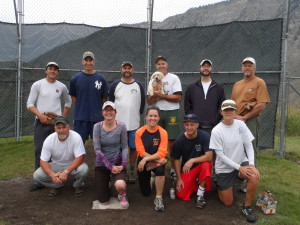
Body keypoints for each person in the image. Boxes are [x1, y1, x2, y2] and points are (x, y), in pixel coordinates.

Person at [209, 100, 260, 223]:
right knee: (228, 203)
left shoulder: (241, 125)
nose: (228, 111)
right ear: (221, 112)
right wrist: (239, 168)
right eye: (226, 109)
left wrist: (251, 165)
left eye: (231, 109)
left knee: (254, 176)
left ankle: (246, 207)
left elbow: (248, 145)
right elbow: (220, 155)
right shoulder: (216, 130)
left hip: (241, 162)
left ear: (235, 111)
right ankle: (219, 183)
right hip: (224, 168)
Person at [27, 62, 72, 192]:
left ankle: (56, 177)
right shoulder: (38, 84)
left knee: (56, 151)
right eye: (50, 69)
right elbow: (29, 103)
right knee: (39, 150)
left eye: (55, 69)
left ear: (58, 72)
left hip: (56, 124)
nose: (52, 71)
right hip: (41, 122)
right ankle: (39, 180)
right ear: (46, 70)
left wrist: (62, 117)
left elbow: (68, 102)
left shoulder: (61, 86)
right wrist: (40, 115)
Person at [147, 56, 182, 183]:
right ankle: (155, 169)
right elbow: (149, 101)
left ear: (166, 65)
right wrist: (155, 95)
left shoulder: (173, 78)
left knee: (172, 143)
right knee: (155, 142)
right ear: (156, 67)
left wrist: (161, 95)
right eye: (158, 64)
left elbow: (178, 97)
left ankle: (173, 170)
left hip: (172, 112)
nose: (161, 66)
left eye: (163, 63)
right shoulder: (152, 80)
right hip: (157, 112)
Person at [33, 116, 89, 197]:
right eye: (58, 128)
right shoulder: (49, 139)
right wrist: (52, 174)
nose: (61, 130)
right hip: (56, 164)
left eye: (64, 127)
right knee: (37, 175)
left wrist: (66, 172)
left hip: (72, 164)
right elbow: (43, 161)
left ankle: (78, 186)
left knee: (84, 169)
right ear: (55, 129)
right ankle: (57, 186)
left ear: (68, 127)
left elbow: (80, 157)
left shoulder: (76, 137)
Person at [109, 61, 145, 183]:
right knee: (118, 148)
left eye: (129, 68)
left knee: (133, 148)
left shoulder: (139, 85)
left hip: (134, 124)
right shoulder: (115, 85)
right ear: (121, 70)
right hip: (118, 125)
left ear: (133, 70)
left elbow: (142, 105)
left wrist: (134, 116)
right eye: (125, 68)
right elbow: (111, 105)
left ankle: (131, 169)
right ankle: (120, 170)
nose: (127, 70)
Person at [231, 57, 270, 164]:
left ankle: (252, 175)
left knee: (250, 147)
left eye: (250, 66)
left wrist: (245, 117)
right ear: (242, 68)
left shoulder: (259, 82)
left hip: (250, 120)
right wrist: (236, 117)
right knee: (236, 147)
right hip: (237, 120)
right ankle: (239, 175)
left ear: (254, 68)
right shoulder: (237, 84)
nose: (247, 68)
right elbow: (233, 104)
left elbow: (262, 104)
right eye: (245, 66)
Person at [93, 101, 129, 208]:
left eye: (111, 110)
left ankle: (122, 194)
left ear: (115, 112)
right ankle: (107, 183)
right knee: (103, 201)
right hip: (102, 164)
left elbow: (125, 147)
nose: (109, 112)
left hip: (117, 163)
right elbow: (97, 149)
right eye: (106, 110)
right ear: (102, 112)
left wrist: (123, 164)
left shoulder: (121, 126)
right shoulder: (97, 127)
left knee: (120, 185)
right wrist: (109, 166)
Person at [171, 114, 212, 208]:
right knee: (181, 195)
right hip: (188, 169)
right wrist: (179, 178)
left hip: (200, 166)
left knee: (206, 164)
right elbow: (176, 160)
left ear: (197, 125)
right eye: (186, 125)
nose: (189, 127)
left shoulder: (204, 136)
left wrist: (192, 160)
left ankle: (200, 195)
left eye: (192, 125)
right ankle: (197, 183)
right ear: (184, 125)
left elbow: (209, 156)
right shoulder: (179, 140)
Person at [69, 51, 108, 143]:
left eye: (90, 60)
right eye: (86, 60)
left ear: (94, 62)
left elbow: (104, 99)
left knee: (99, 146)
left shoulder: (101, 79)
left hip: (97, 118)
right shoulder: (75, 79)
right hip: (81, 118)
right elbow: (74, 98)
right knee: (79, 145)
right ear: (82, 61)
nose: (88, 63)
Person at [135, 106, 168, 212]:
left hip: (153, 162)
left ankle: (158, 198)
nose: (152, 118)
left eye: (155, 116)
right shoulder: (139, 132)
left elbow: (162, 152)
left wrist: (147, 159)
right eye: (150, 116)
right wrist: (151, 159)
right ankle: (152, 178)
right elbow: (140, 151)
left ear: (159, 118)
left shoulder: (163, 132)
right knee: (145, 193)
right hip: (147, 161)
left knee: (160, 170)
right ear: (146, 117)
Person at [184, 59, 226, 134]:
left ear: (211, 69)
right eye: (203, 66)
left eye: (208, 66)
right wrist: (193, 121)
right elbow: (187, 106)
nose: (206, 68)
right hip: (196, 127)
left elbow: (222, 106)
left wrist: (215, 119)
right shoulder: (191, 87)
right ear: (199, 68)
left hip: (213, 127)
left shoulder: (218, 87)